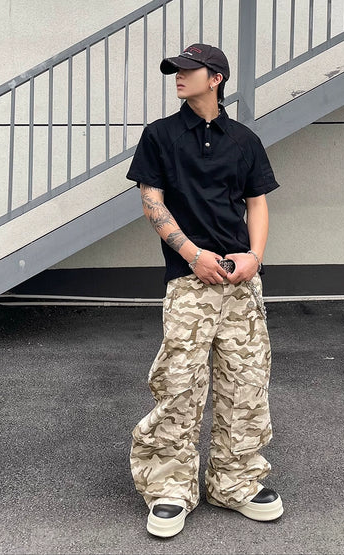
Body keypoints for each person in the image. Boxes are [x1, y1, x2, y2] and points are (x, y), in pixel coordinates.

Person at [126, 43, 283, 538]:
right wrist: (192, 254)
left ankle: (235, 482)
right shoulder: (160, 136)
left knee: (246, 383)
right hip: (189, 281)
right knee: (179, 384)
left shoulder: (244, 140)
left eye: (187, 70)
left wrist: (254, 257)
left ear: (215, 78)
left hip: (240, 281)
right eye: (175, 70)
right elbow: (152, 202)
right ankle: (170, 488)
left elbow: (257, 203)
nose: (177, 76)